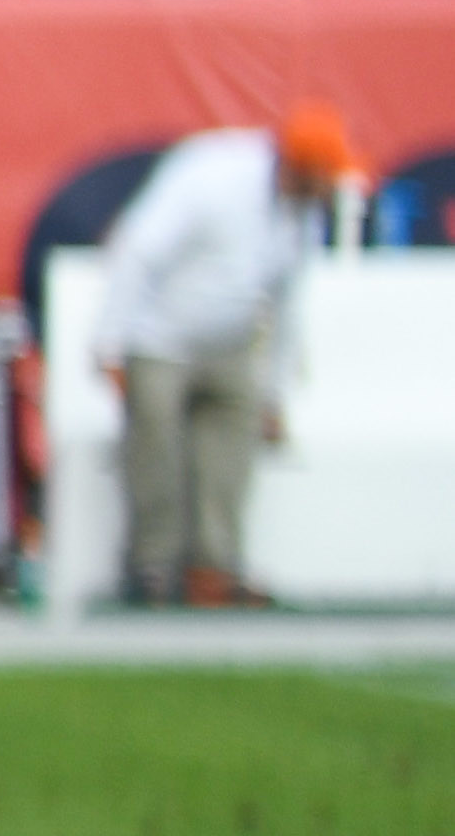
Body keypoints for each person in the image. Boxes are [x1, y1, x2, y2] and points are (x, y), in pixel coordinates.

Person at [90, 104, 363, 604]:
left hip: (230, 344)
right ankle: (152, 570)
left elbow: (287, 305)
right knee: (154, 450)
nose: (334, 190)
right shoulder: (214, 177)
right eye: (328, 177)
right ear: (304, 169)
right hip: (160, 337)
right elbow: (138, 249)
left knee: (231, 456)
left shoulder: (300, 216)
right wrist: (111, 344)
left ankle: (214, 570)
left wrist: (274, 395)